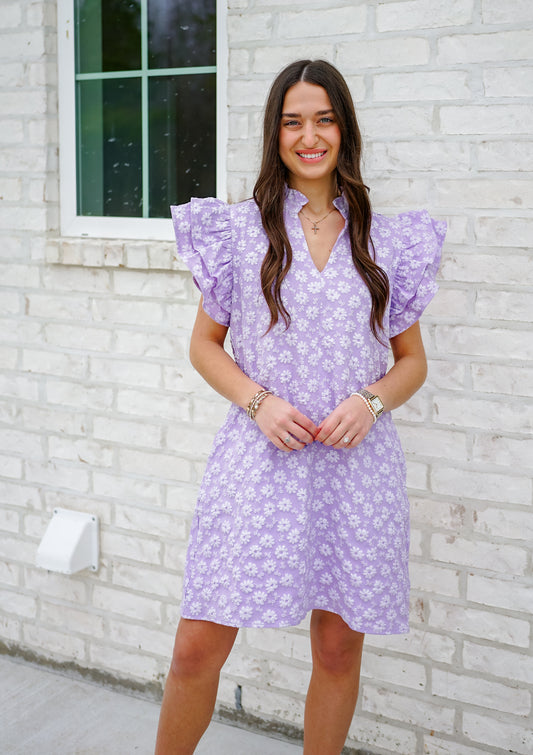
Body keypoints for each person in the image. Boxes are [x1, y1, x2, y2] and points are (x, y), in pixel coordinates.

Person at [155, 59, 446, 755]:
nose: (308, 135)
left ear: (343, 128)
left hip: (353, 466)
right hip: (259, 455)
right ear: (273, 132)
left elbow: (411, 363)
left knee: (338, 646)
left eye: (323, 118)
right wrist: (257, 401)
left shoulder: (385, 240)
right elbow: (204, 345)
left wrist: (369, 401)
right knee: (198, 643)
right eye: (292, 120)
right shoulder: (236, 232)